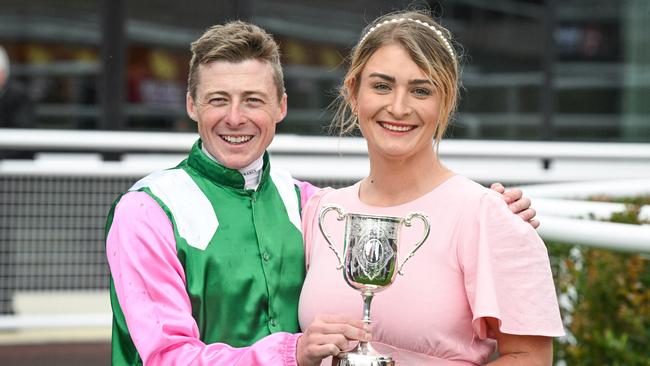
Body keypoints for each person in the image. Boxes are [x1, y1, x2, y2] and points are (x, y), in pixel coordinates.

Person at [106, 21, 540, 366]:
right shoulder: (147, 211)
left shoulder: (308, 204)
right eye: (219, 99)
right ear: (191, 105)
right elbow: (164, 358)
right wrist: (291, 354)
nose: (235, 118)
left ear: (281, 107)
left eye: (253, 100)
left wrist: (500, 215)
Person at [298, 10, 564, 365]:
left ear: (446, 102)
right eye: (381, 85)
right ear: (353, 92)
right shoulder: (321, 212)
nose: (398, 107)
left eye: (420, 90)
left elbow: (530, 358)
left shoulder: (488, 215)